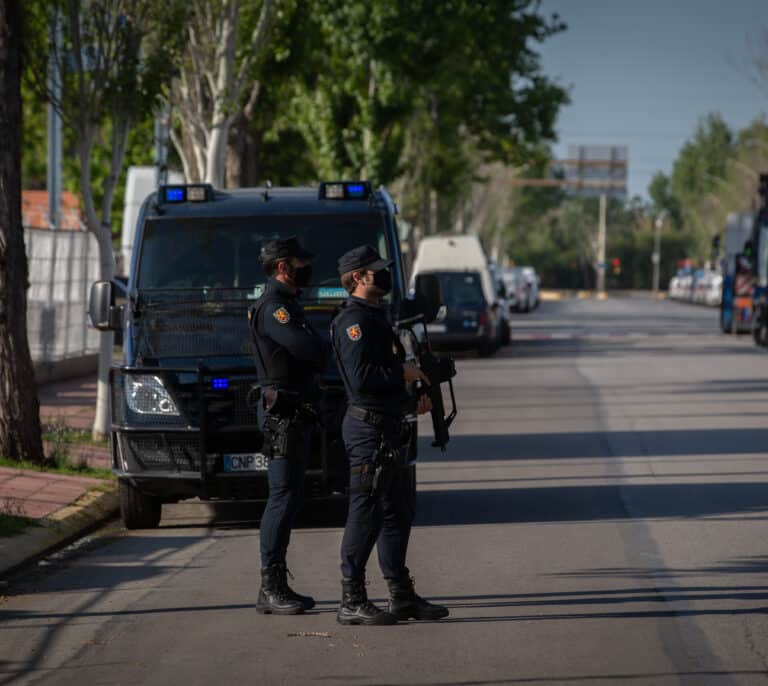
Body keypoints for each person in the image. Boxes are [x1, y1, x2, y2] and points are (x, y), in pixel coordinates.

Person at [331, 244, 450, 625]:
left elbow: (383, 373)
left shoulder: (375, 317)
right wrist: (404, 372)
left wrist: (410, 397)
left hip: (388, 425)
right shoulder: (354, 322)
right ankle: (352, 598)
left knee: (397, 512)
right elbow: (361, 379)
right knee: (364, 512)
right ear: (360, 277)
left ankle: (401, 595)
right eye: (377, 270)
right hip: (367, 429)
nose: (384, 275)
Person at [249, 236, 326, 615]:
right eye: (299, 262)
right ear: (283, 266)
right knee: (281, 498)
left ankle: (276, 585)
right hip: (282, 416)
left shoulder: (286, 304)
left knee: (289, 496)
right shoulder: (275, 308)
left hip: (294, 413)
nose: (305, 268)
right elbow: (309, 349)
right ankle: (271, 587)